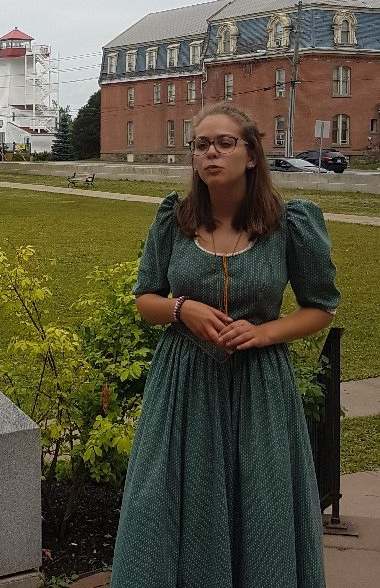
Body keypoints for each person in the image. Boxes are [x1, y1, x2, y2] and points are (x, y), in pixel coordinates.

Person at [110, 103, 339, 588]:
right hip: (184, 384)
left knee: (263, 499)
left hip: (261, 385)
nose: (211, 153)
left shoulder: (288, 225)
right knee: (172, 499)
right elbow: (145, 298)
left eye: (224, 143)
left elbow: (321, 307)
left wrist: (262, 333)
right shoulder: (175, 220)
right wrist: (182, 309)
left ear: (252, 154)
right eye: (201, 145)